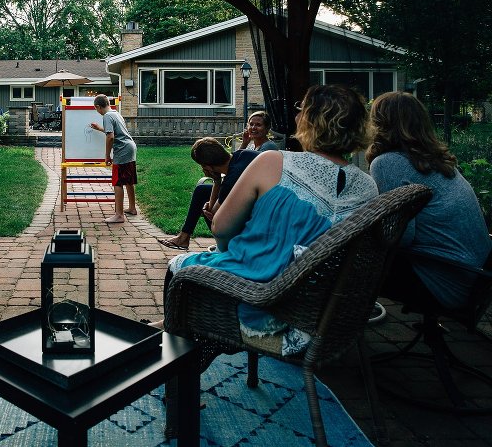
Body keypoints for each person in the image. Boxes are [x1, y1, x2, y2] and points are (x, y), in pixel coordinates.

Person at [163, 84, 378, 355]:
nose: (297, 116)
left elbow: (221, 230)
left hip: (268, 308)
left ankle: (177, 363)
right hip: (331, 316)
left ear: (310, 121)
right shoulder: (368, 186)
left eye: (301, 110)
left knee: (179, 267)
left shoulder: (273, 162)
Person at [367, 91, 491, 310]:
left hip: (446, 284)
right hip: (475, 279)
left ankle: (337, 333)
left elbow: (399, 237)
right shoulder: (436, 159)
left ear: (380, 124)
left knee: (352, 266)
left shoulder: (387, 163)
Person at [158, 138, 259, 250]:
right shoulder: (243, 153)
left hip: (257, 221)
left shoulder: (230, 182)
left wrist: (216, 180)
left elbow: (214, 214)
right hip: (263, 200)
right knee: (202, 190)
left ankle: (226, 246)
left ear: (208, 166)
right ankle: (184, 237)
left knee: (209, 211)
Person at [89, 94, 138, 224]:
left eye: (96, 109)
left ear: (98, 106)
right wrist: (100, 129)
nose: (97, 111)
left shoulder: (106, 116)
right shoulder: (116, 113)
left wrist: (107, 155)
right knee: (128, 180)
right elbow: (115, 132)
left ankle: (119, 215)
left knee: (117, 182)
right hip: (130, 147)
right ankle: (132, 208)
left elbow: (110, 137)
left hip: (122, 150)